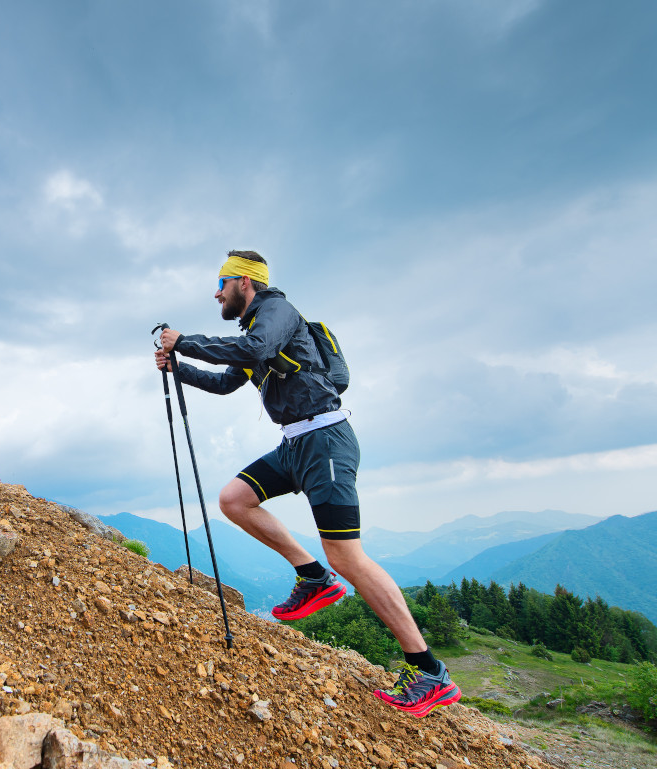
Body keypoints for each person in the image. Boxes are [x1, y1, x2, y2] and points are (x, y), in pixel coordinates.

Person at [154, 250, 461, 718]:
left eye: (221, 282)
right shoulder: (256, 331)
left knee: (347, 554)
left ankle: (430, 671)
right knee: (235, 499)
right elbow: (225, 382)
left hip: (325, 441)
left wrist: (185, 342)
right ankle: (314, 577)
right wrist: (179, 367)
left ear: (245, 282)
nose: (215, 292)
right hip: (296, 444)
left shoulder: (276, 312)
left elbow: (253, 352)